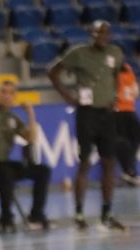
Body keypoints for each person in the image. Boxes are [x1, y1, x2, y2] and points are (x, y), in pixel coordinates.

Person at [48, 20, 124, 231]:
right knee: (85, 163)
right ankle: (79, 213)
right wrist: (67, 97)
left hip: (107, 114)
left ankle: (106, 214)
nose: (104, 36)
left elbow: (117, 73)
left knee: (109, 163)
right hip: (87, 113)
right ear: (92, 34)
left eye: (107, 33)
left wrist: (114, 94)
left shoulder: (116, 52)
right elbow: (53, 72)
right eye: (100, 33)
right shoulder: (79, 53)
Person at [0, 81, 52, 232]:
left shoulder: (12, 118)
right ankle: (6, 217)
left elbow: (31, 138)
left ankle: (36, 214)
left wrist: (30, 113)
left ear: (14, 96)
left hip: (5, 164)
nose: (6, 96)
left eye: (10, 93)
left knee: (43, 171)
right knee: (5, 172)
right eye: (3, 92)